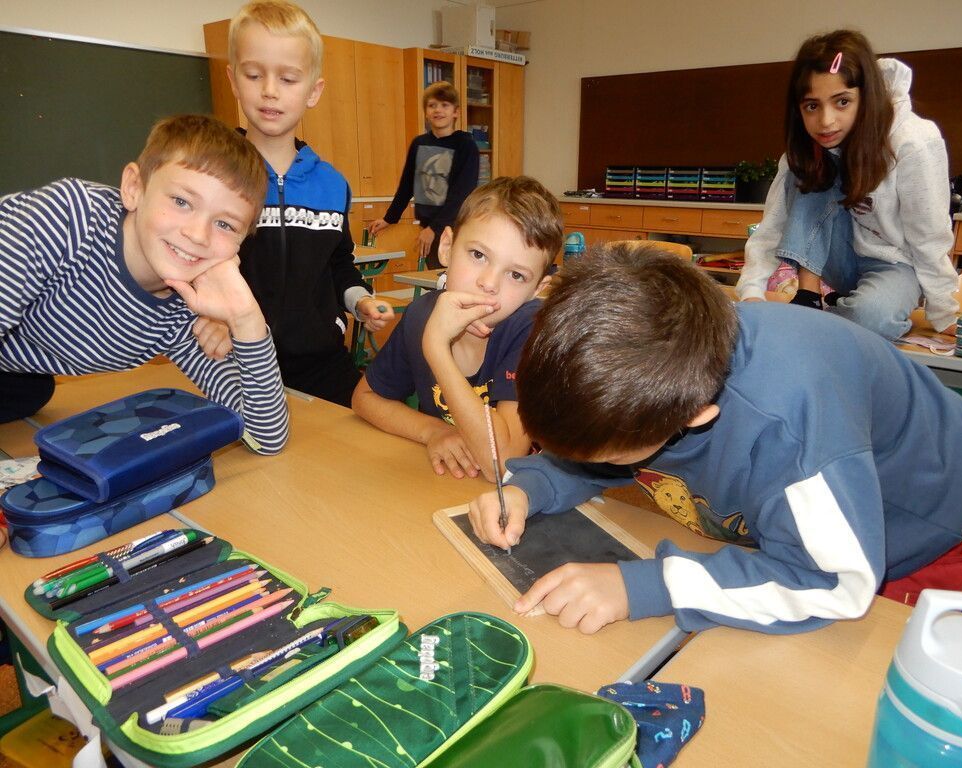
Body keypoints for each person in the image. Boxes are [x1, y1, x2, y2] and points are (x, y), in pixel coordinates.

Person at [468, 243, 962, 635]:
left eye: (608, 455)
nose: (586, 461)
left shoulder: (791, 431)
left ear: (695, 417)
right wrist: (530, 486)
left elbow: (836, 584)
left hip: (917, 528)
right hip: (800, 512)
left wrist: (646, 586)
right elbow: (593, 441)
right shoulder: (664, 365)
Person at [0, 114, 289, 454]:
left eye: (225, 224)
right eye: (181, 202)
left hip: (16, 375)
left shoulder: (188, 307)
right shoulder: (64, 221)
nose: (197, 235)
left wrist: (246, 319)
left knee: (31, 393)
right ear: (134, 188)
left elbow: (266, 436)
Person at [736, 29, 959, 340]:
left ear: (866, 96)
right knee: (814, 160)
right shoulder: (803, 149)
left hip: (893, 262)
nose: (826, 121)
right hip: (834, 256)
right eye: (812, 106)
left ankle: (831, 312)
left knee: (870, 319)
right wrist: (752, 292)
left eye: (842, 102)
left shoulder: (913, 140)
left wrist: (943, 311)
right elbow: (773, 225)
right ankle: (809, 296)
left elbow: (929, 235)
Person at [223, 0, 393, 406]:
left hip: (321, 360)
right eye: (253, 74)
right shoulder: (215, 179)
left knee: (363, 438)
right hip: (235, 362)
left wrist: (360, 301)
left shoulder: (332, 185)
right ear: (233, 80)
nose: (269, 90)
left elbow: (339, 265)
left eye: (288, 78)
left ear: (313, 91)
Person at [352, 176, 562, 481]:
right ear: (447, 247)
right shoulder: (420, 315)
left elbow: (502, 465)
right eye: (478, 255)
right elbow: (365, 398)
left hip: (530, 499)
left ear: (536, 290)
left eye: (516, 275)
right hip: (452, 484)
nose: (488, 284)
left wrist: (436, 346)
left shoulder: (530, 332)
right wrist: (433, 431)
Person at [368, 81, 481, 270]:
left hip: (455, 228)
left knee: (450, 279)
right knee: (435, 280)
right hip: (428, 226)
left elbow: (461, 195)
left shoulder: (465, 145)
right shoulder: (419, 144)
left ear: (456, 112)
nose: (438, 110)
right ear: (426, 112)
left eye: (445, 105)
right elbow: (406, 186)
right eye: (432, 105)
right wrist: (390, 217)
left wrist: (434, 229)